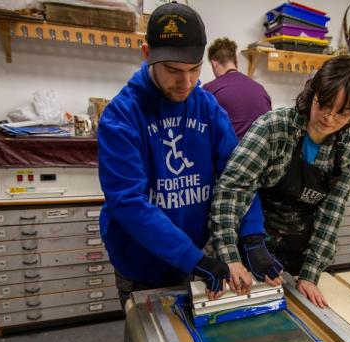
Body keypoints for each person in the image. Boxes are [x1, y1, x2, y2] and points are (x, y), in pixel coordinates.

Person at [98, 2, 268, 308]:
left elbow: (238, 175)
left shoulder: (207, 107)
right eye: (174, 71)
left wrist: (253, 235)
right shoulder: (121, 116)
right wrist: (195, 259)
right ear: (147, 53)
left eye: (194, 69)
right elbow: (128, 202)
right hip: (141, 265)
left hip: (191, 257)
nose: (186, 83)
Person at [210, 56, 350, 307]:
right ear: (313, 93)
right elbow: (231, 190)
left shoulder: (349, 148)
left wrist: (310, 273)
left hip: (297, 256)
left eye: (342, 113)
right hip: (251, 250)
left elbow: (331, 215)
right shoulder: (275, 128)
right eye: (324, 104)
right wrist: (229, 256)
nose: (329, 118)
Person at [203, 37, 272, 139]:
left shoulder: (209, 90)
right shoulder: (260, 89)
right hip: (261, 152)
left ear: (214, 63)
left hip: (232, 154)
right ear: (236, 63)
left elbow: (201, 131)